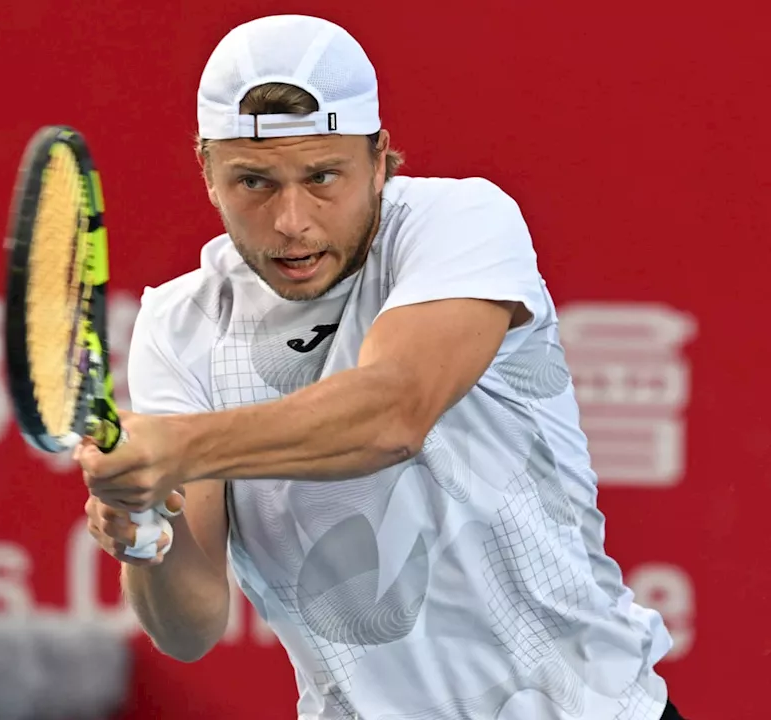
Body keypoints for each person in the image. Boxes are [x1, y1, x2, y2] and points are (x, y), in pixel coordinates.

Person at [75, 14, 687, 720]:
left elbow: (393, 414)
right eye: (254, 182)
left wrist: (176, 448)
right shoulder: (181, 326)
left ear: (381, 158)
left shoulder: (460, 223)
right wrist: (146, 529)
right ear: (205, 171)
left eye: (323, 176)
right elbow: (191, 629)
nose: (292, 221)